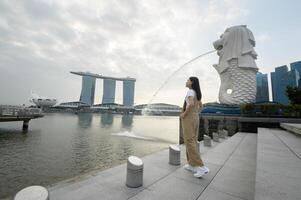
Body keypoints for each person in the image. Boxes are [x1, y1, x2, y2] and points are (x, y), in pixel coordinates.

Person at [180, 76, 209, 178]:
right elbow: (201, 106)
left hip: (189, 118)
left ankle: (201, 166)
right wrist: (196, 113)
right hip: (195, 117)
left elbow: (191, 104)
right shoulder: (196, 93)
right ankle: (191, 164)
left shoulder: (190, 92)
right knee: (192, 140)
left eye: (187, 80)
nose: (186, 81)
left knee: (189, 141)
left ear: (191, 82)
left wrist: (184, 114)